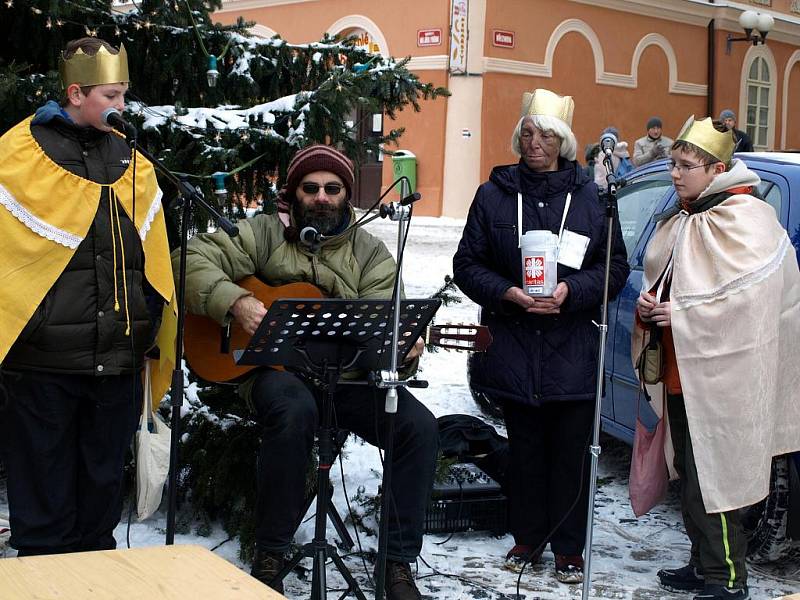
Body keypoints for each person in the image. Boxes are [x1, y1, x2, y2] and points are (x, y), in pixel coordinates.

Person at [176, 144, 438, 600]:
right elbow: (189, 260)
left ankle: (396, 563)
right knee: (294, 410)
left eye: (332, 189)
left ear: (347, 195)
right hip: (276, 374)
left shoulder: (370, 253)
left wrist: (406, 349)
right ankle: (271, 552)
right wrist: (235, 302)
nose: (321, 197)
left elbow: (383, 326)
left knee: (418, 426)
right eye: (310, 187)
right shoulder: (262, 234)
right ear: (294, 192)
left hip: (349, 380)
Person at [0, 38, 175, 556]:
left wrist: (146, 324)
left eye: (124, 94)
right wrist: (29, 326)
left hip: (116, 360)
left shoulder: (130, 157)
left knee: (99, 516)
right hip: (42, 364)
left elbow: (151, 255)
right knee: (44, 516)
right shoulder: (16, 154)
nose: (122, 106)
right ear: (76, 93)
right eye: (112, 95)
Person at [453, 88, 629, 584]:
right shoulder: (493, 195)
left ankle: (570, 548)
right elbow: (466, 264)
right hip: (514, 345)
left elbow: (615, 266)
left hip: (572, 347)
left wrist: (574, 289)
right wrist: (506, 291)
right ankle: (528, 539)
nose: (535, 143)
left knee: (571, 455)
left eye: (546, 135)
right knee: (526, 452)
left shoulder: (592, 200)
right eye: (527, 133)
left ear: (565, 142)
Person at [635, 116, 800, 600]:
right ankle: (701, 562)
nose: (675, 174)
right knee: (688, 472)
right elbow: (677, 278)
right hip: (680, 372)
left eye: (686, 166)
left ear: (717, 168)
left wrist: (680, 311)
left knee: (715, 479)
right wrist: (651, 302)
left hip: (724, 378)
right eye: (673, 164)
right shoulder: (687, 215)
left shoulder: (745, 219)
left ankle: (727, 578)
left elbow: (748, 300)